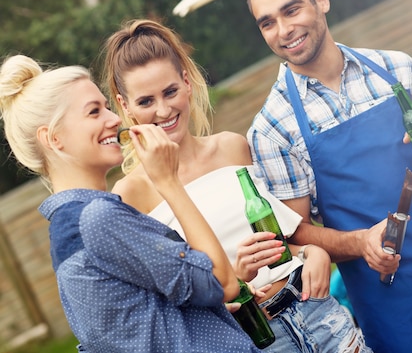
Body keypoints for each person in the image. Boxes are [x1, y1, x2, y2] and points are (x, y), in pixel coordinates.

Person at [245, 0, 412, 353]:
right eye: (267, 22)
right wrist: (361, 243)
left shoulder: (397, 68)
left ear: (320, 0)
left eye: (292, 10)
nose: (283, 30)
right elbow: (295, 233)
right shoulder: (272, 128)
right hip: (393, 305)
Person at [102, 18, 371, 353]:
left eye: (170, 91)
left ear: (186, 83)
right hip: (253, 339)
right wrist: (232, 278)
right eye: (145, 101)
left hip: (316, 312)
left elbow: (283, 237)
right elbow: (165, 310)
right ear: (125, 105)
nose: (163, 110)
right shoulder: (128, 197)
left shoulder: (232, 146)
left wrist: (311, 251)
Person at [0, 54, 262, 352]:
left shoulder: (68, 230)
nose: (114, 120)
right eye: (94, 112)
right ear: (54, 138)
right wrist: (169, 182)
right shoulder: (98, 218)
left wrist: (193, 315)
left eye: (107, 108)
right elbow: (222, 281)